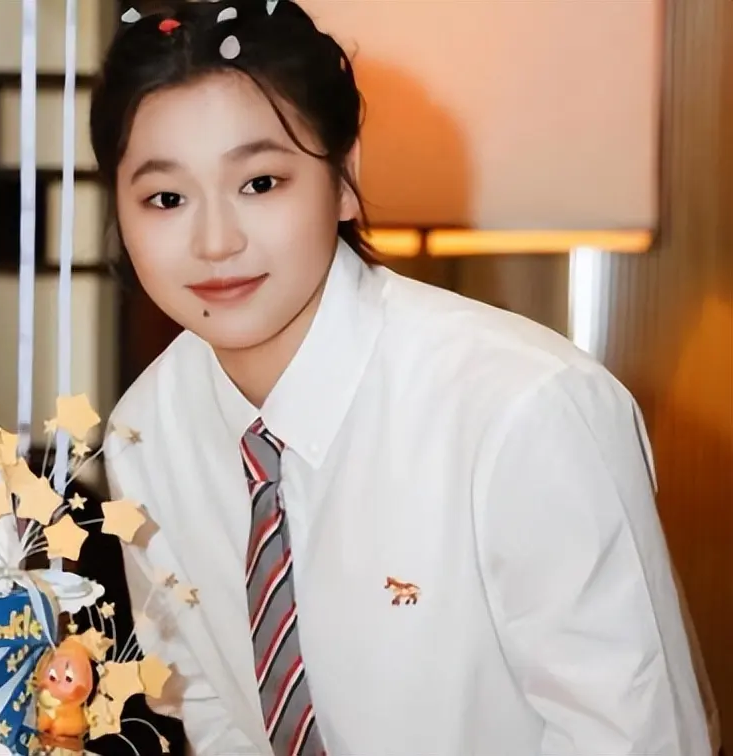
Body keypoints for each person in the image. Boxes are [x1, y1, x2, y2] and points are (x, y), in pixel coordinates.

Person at [93, 1, 711, 754]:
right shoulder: (145, 433)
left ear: (344, 179)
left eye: (260, 182)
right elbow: (213, 715)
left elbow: (635, 737)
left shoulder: (523, 409)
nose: (215, 241)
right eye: (166, 198)